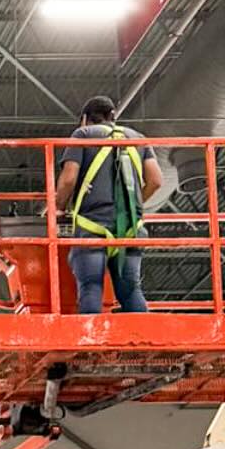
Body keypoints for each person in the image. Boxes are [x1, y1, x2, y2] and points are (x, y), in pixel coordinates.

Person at [54, 94, 162, 316]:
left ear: (84, 119)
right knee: (131, 290)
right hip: (130, 229)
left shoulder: (82, 135)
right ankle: (141, 346)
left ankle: (91, 349)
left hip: (92, 227)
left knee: (91, 287)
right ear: (112, 116)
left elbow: (68, 179)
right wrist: (136, 205)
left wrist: (60, 206)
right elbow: (156, 180)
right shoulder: (136, 138)